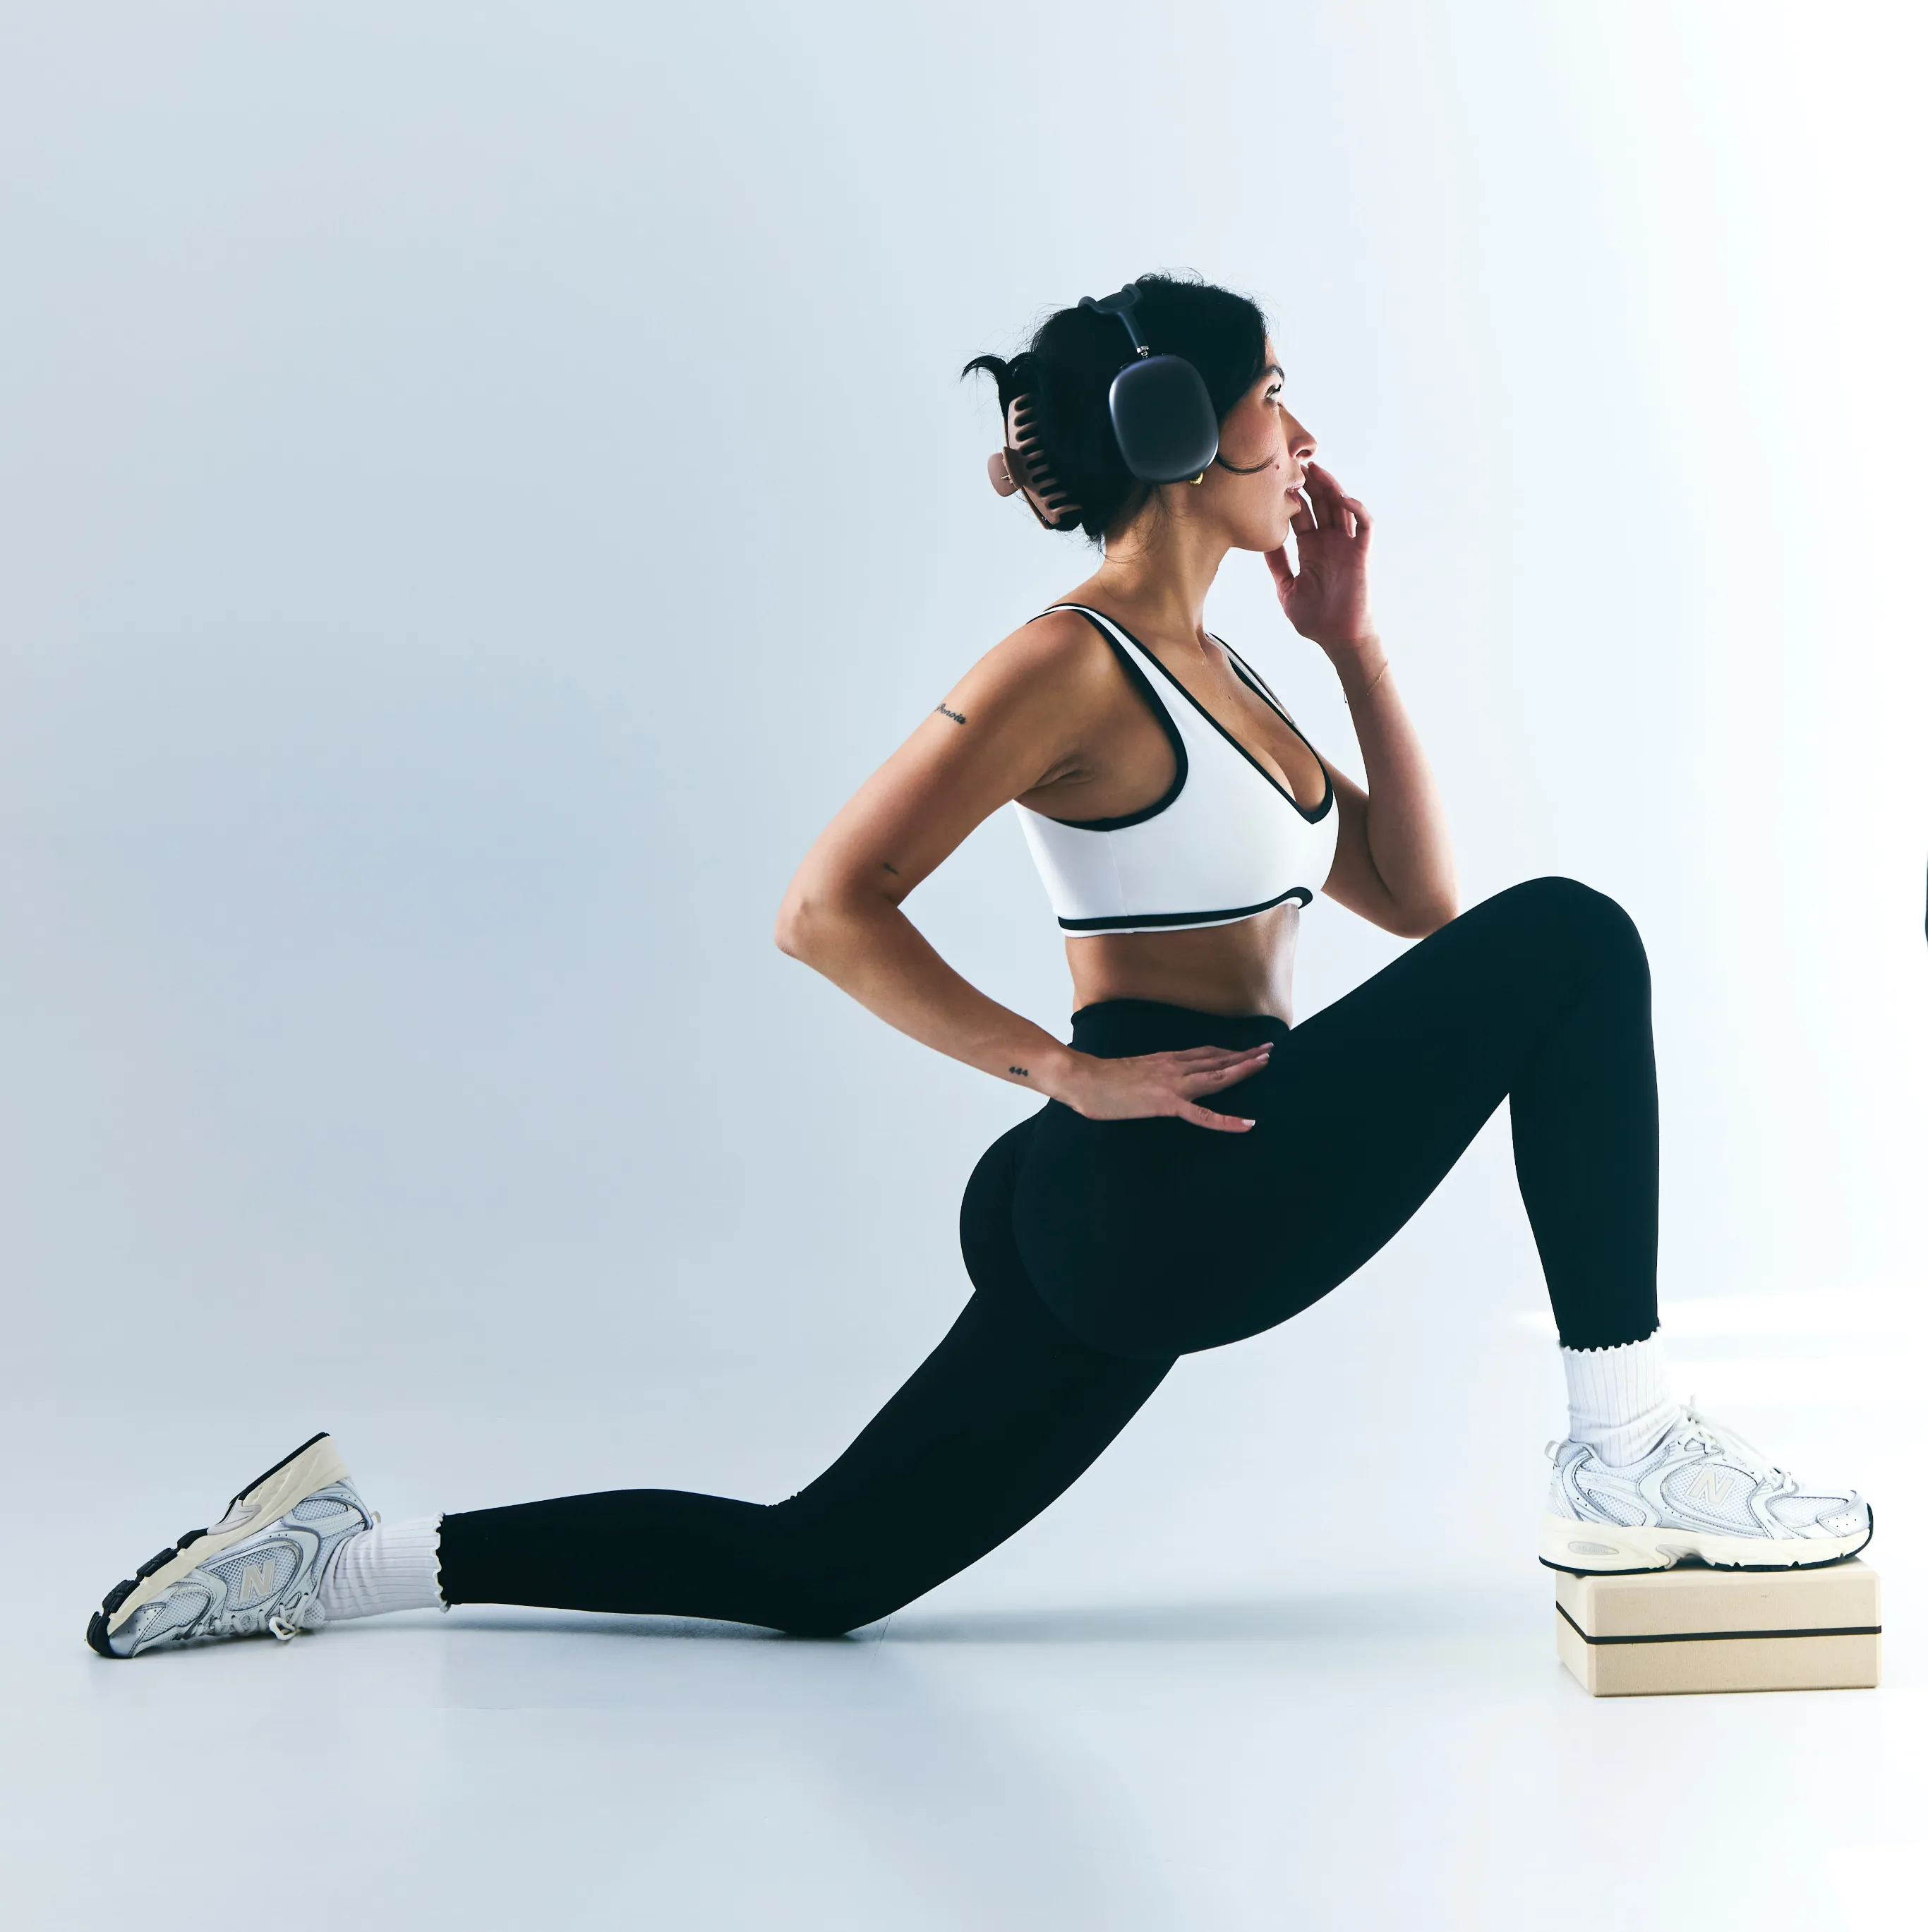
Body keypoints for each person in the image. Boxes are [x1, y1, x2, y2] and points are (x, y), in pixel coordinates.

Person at [88, 274, 1871, 1660]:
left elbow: (1413, 899)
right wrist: (1054, 1064)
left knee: (821, 1569)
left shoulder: (1238, 670)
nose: (1304, 434)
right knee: (1578, 934)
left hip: (1167, 1178)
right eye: (1278, 398)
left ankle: (351, 1561)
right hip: (1157, 1176)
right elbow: (825, 904)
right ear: (1185, 428)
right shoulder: (1067, 662)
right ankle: (1622, 1450)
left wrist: (1354, 647)